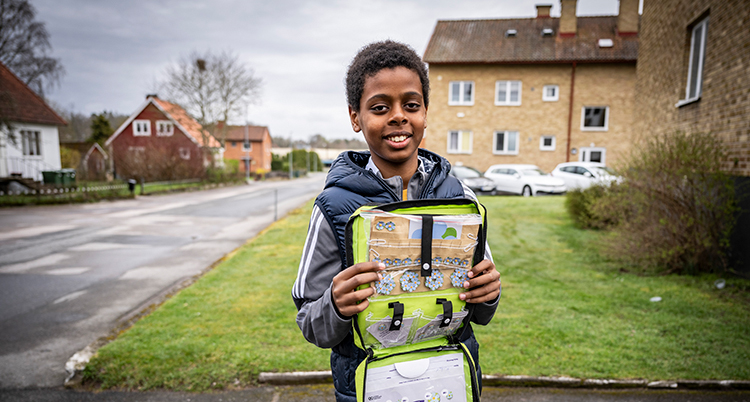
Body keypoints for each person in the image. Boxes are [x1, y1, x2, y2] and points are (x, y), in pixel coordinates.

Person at [292, 40, 501, 402]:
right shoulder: (332, 207)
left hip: (450, 381)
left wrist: (489, 295)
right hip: (370, 384)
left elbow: (480, 307)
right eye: (379, 107)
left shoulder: (461, 198)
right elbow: (310, 320)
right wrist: (336, 306)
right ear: (355, 118)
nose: (398, 116)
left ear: (425, 113)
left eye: (411, 104)